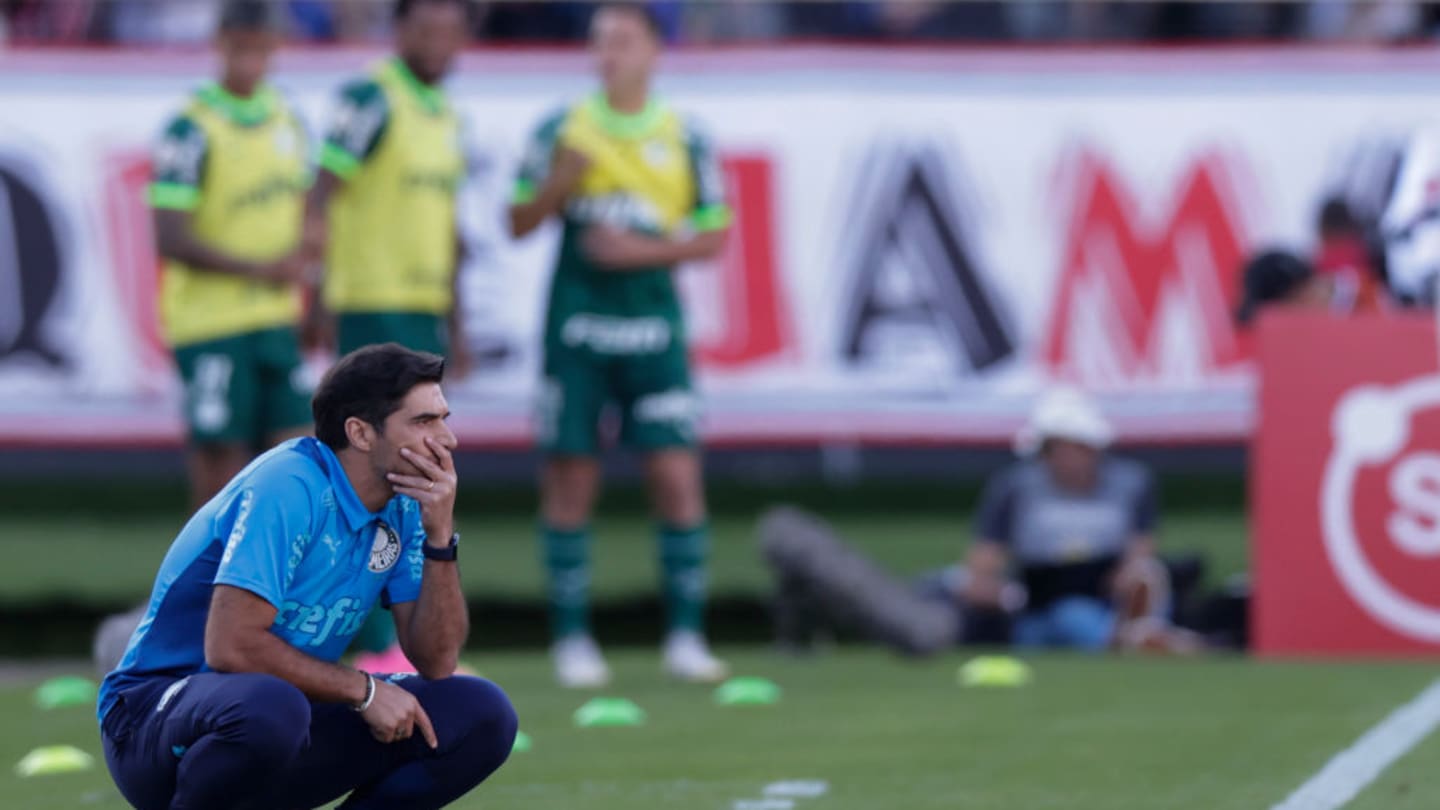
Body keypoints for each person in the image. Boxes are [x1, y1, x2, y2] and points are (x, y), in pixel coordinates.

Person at [97, 343, 517, 810]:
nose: (448, 440)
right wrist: (364, 690)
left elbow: (437, 661)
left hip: (280, 716)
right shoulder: (290, 483)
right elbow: (230, 647)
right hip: (150, 722)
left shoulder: (405, 504)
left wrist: (440, 536)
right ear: (360, 433)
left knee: (481, 715)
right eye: (423, 422)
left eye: (443, 418)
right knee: (271, 708)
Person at [509, 2, 732, 687]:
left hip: (654, 333)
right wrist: (560, 183)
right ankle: (573, 641)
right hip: (576, 334)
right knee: (572, 479)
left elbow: (715, 235)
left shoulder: (684, 136)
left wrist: (640, 251)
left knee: (675, 478)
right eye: (600, 41)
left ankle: (686, 637)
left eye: (624, 41)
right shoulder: (560, 128)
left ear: (654, 51)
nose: (609, 54)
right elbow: (517, 220)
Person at [304, 0, 471, 674]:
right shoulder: (371, 96)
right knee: (370, 472)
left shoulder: (443, 112)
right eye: (425, 29)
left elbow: (444, 225)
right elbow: (322, 191)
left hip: (419, 306)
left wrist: (456, 316)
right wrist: (311, 290)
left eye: (450, 30)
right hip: (369, 304)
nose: (438, 42)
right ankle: (369, 640)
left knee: (417, 475)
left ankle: (398, 635)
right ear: (399, 31)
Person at [149, 0, 312, 511]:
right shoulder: (190, 129)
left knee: (295, 456)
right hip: (210, 322)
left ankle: (275, 588)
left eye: (260, 45)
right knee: (221, 461)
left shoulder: (287, 118)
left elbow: (305, 215)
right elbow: (170, 238)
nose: (251, 57)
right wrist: (261, 269)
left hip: (275, 316)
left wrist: (315, 284)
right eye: (240, 44)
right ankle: (206, 584)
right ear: (220, 43)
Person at [960, 387, 1196, 652]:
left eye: (1079, 448)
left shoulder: (1131, 483)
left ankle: (1137, 634)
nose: (1070, 458)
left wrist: (1126, 579)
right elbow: (981, 570)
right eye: (1060, 448)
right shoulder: (1014, 488)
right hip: (1040, 609)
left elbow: (1140, 552)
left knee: (1145, 582)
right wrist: (1011, 596)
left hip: (1106, 599)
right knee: (1070, 615)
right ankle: (1135, 641)